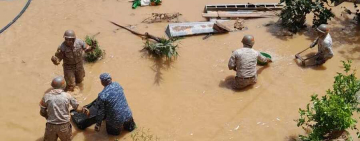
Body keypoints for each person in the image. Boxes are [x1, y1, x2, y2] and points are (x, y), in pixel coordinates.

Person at [39, 76, 89, 141]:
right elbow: (77, 108)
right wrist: (84, 110)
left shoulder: (46, 97)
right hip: (64, 126)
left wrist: (47, 117)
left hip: (51, 126)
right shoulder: (67, 96)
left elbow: (42, 112)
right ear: (63, 85)